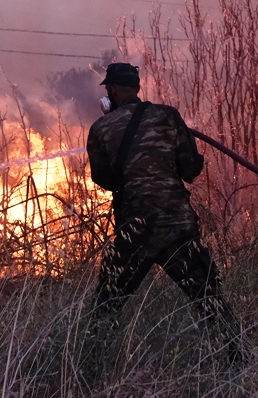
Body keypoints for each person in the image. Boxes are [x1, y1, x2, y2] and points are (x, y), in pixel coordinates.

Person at [85, 63, 242, 360]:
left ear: (113, 91)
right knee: (208, 298)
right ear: (137, 88)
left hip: (135, 230)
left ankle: (90, 366)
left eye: (108, 90)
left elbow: (104, 180)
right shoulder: (168, 116)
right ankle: (237, 360)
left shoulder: (100, 128)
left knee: (106, 303)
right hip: (177, 226)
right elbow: (190, 169)